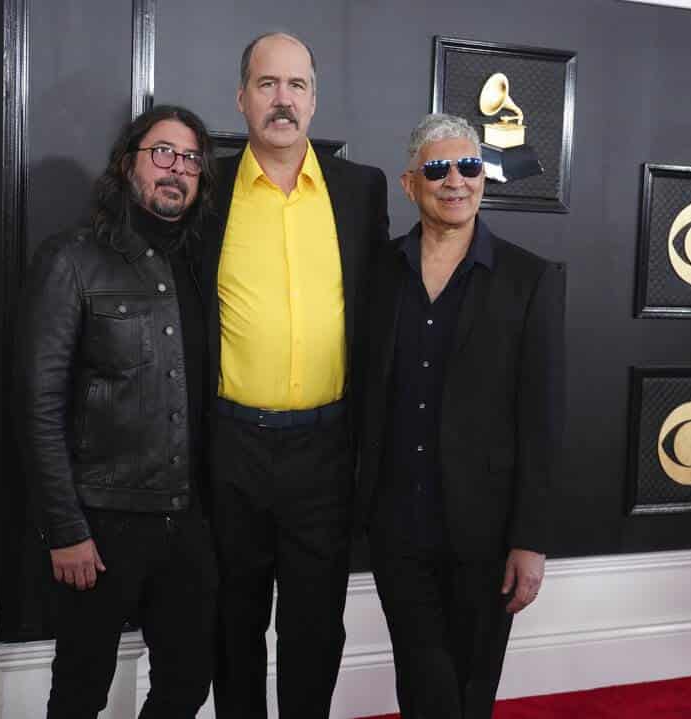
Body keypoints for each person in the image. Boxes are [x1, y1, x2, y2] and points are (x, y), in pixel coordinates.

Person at [197, 31, 389, 719]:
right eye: (268, 84)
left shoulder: (359, 190)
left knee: (315, 626)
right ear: (242, 97)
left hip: (325, 450)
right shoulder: (206, 186)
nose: (283, 99)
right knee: (232, 622)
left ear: (315, 99)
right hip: (229, 447)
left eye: (297, 85)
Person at [357, 113, 565, 718]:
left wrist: (530, 540)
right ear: (410, 183)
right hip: (397, 525)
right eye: (438, 168)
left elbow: (543, 420)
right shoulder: (380, 272)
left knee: (471, 688)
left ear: (484, 176)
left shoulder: (530, 279)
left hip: (486, 532)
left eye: (469, 166)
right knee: (421, 680)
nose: (456, 181)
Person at [15, 105, 218, 719]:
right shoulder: (71, 259)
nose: (176, 169)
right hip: (101, 526)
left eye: (189, 159)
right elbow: (37, 404)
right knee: (79, 692)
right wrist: (66, 529)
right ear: (128, 163)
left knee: (187, 684)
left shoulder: (203, 264)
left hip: (188, 520)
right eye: (162, 153)